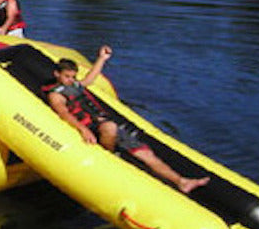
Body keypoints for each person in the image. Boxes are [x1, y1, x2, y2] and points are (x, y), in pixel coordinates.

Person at [42, 45, 210, 194]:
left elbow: (90, 78)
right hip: (92, 128)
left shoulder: (76, 85)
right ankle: (108, 156)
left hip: (106, 125)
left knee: (147, 155)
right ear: (57, 74)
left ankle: (182, 182)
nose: (71, 80)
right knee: (109, 126)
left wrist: (102, 58)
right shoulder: (56, 94)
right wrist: (83, 130)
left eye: (73, 76)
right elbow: (63, 113)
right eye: (67, 77)